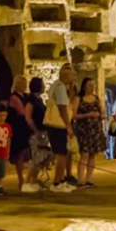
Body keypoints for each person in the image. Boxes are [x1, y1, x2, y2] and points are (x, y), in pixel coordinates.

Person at [45, 63, 76, 192]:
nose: (74, 77)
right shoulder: (61, 88)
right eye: (72, 74)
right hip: (58, 124)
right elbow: (63, 108)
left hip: (53, 124)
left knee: (60, 153)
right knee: (62, 154)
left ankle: (61, 180)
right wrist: (68, 126)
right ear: (66, 76)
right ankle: (57, 182)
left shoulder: (55, 86)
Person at [71, 77, 106, 188]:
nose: (92, 87)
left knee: (92, 155)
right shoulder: (78, 99)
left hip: (95, 130)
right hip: (84, 130)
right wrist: (88, 115)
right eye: (90, 85)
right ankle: (80, 180)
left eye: (93, 85)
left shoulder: (97, 99)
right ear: (84, 86)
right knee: (84, 155)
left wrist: (101, 116)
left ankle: (89, 179)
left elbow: (102, 113)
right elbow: (74, 115)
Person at [24, 77, 49, 192]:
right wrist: (36, 131)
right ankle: (27, 182)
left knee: (41, 158)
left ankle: (34, 181)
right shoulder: (31, 101)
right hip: (35, 133)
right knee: (35, 158)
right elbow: (28, 117)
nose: (44, 86)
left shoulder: (39, 100)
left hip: (42, 132)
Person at [7, 75, 31, 189]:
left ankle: (26, 179)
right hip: (18, 128)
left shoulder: (26, 96)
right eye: (22, 83)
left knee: (26, 152)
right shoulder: (14, 97)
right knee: (20, 154)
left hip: (25, 128)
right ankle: (21, 178)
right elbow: (22, 111)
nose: (24, 86)